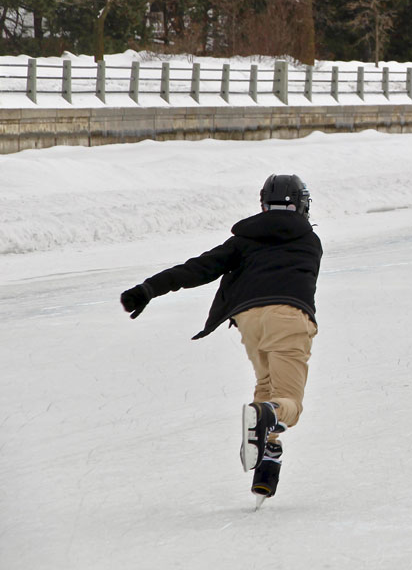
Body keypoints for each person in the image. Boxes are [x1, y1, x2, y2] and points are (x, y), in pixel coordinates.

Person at [119, 174, 322, 505]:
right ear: (301, 204)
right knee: (288, 404)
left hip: (249, 320)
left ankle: (267, 463)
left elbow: (199, 268)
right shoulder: (309, 240)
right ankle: (271, 419)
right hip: (288, 317)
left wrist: (149, 288)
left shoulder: (243, 240)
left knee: (266, 389)